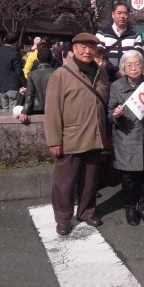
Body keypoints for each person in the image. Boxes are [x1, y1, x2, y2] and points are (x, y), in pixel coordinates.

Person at [45, 33, 110, 236]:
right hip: (70, 137)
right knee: (64, 183)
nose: (87, 51)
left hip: (95, 135)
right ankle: (63, 218)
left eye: (91, 47)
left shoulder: (102, 73)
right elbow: (53, 110)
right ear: (73, 48)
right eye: (83, 46)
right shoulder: (61, 75)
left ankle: (86, 211)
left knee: (90, 180)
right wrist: (54, 140)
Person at [109, 50, 144, 226]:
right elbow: (109, 111)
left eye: (137, 64)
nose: (133, 68)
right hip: (126, 137)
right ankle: (130, 207)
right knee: (129, 178)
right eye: (129, 65)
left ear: (143, 65)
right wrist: (115, 114)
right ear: (123, 67)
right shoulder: (116, 86)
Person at [96, 0, 143, 67]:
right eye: (119, 13)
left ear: (128, 15)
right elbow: (99, 55)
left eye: (125, 13)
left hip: (127, 73)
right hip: (106, 73)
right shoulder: (102, 33)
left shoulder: (135, 36)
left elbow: (136, 56)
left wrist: (123, 70)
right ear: (113, 14)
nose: (122, 16)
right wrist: (112, 70)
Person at [18, 47, 56, 123]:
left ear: (38, 60)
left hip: (37, 107)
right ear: (52, 59)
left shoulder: (32, 74)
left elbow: (30, 94)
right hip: (54, 108)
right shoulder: (58, 73)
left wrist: (24, 111)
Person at [0, 33, 27, 112]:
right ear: (16, 42)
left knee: (5, 110)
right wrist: (25, 84)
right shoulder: (15, 54)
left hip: (1, 85)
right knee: (13, 110)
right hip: (13, 85)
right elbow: (18, 71)